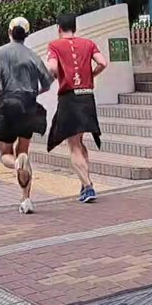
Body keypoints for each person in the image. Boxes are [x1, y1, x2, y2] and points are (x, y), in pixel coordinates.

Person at [0, 17, 53, 215]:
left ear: (9, 31)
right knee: (23, 152)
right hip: (28, 106)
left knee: (5, 154)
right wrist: (32, 92)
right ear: (26, 34)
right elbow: (47, 82)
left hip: (7, 105)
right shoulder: (33, 56)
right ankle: (26, 199)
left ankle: (16, 164)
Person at [46, 13, 108, 203]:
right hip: (87, 96)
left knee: (73, 145)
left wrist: (60, 78)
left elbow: (52, 68)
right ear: (75, 27)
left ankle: (88, 187)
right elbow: (103, 62)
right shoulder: (88, 44)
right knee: (80, 142)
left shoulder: (54, 46)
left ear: (59, 28)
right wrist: (91, 75)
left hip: (69, 98)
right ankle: (84, 184)